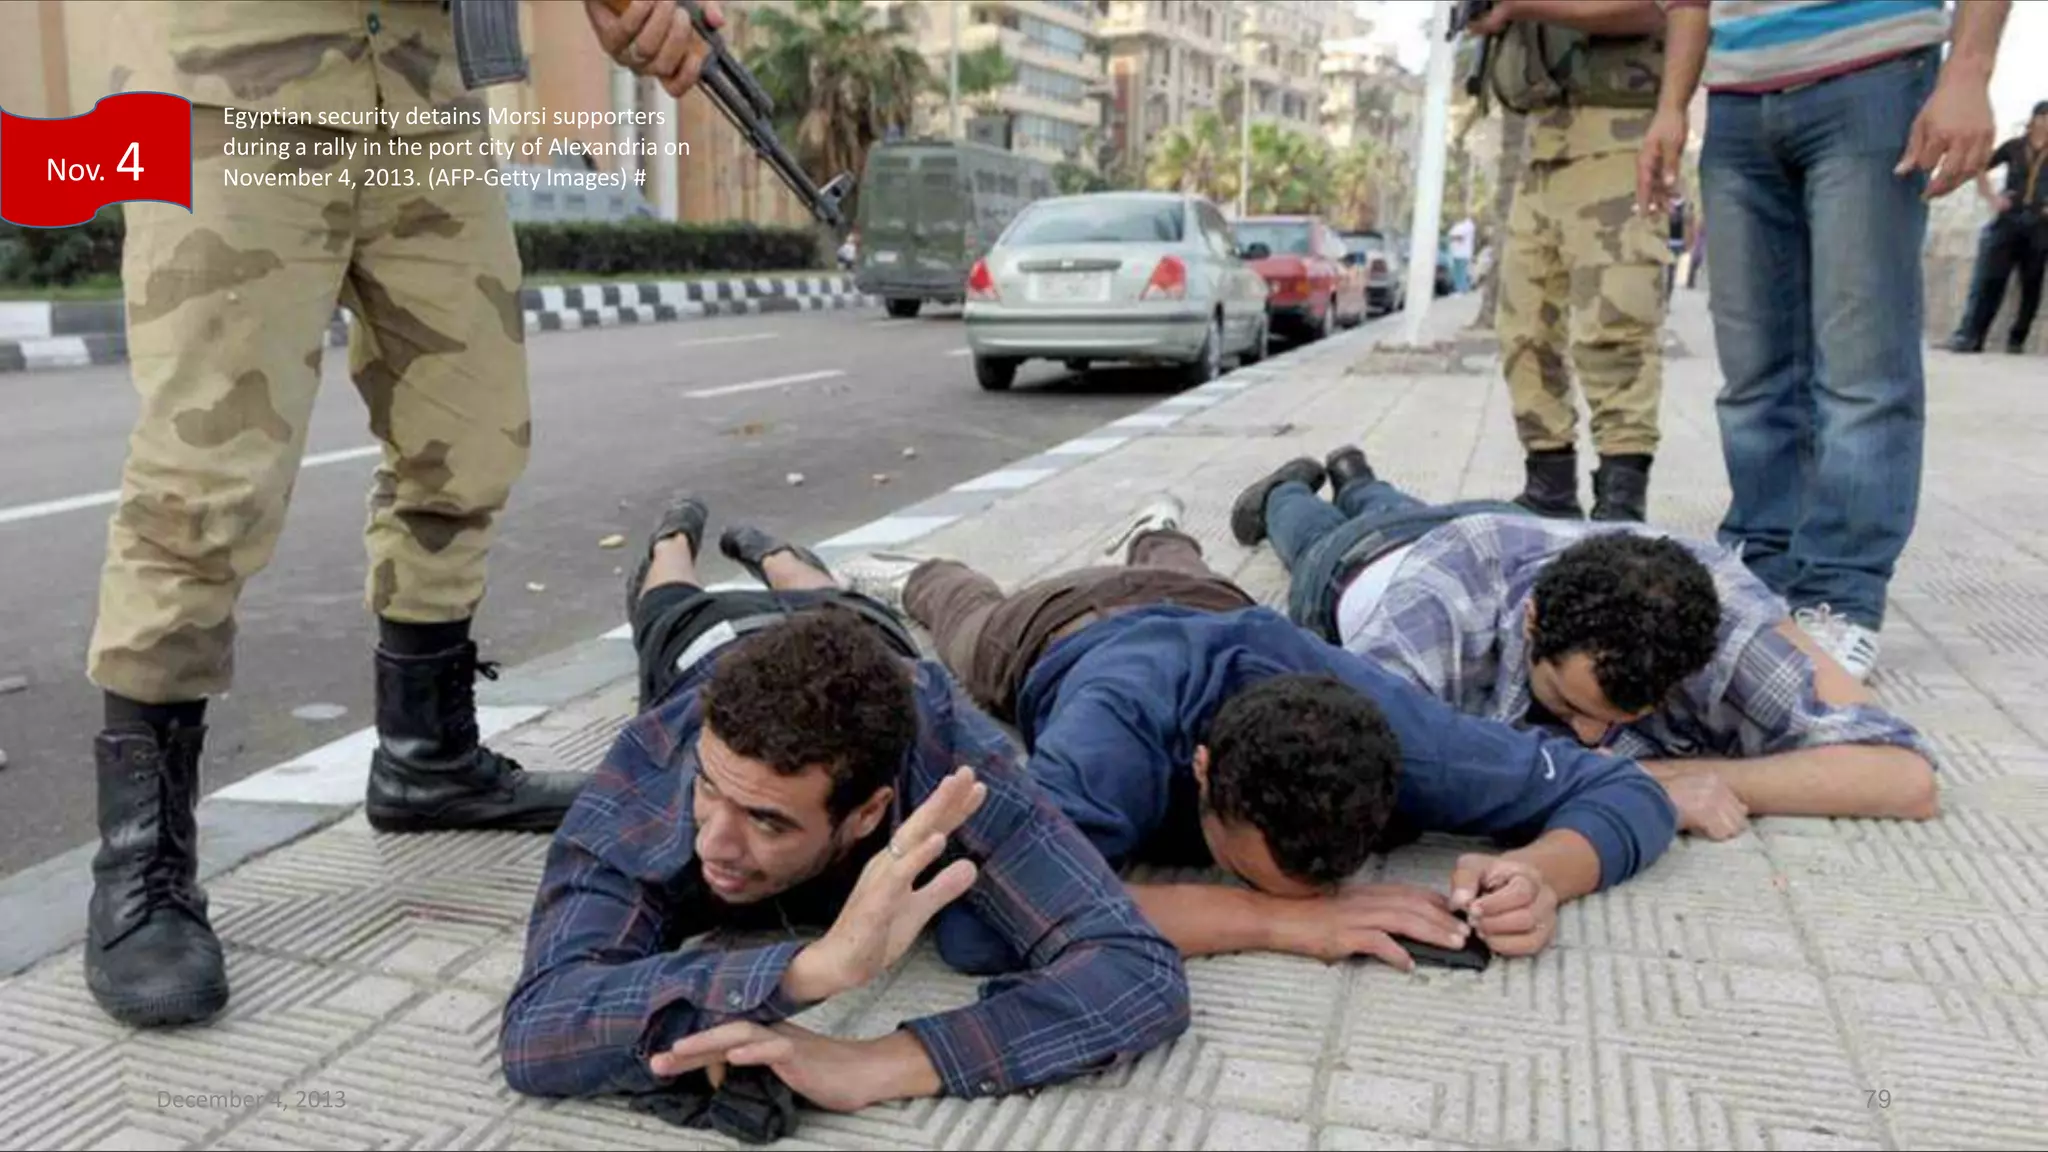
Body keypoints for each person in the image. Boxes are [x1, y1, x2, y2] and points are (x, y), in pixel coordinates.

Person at [83, 0, 726, 1030]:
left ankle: (428, 759)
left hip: (427, 101)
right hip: (229, 88)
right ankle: (141, 864)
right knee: (204, 485)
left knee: (469, 443)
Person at [501, 498, 1189, 1111]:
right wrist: (812, 969)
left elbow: (1135, 972)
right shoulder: (654, 762)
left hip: (856, 637)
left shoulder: (951, 769)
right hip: (705, 641)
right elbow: (540, 1027)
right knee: (667, 604)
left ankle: (775, 556)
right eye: (708, 789)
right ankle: (671, 544)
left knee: (835, 603)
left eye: (766, 821)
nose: (713, 842)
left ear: (867, 813)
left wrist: (882, 1063)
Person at [841, 496, 1678, 968]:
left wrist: (1541, 873)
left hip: (1214, 609)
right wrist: (1269, 923)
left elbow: (1623, 790)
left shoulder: (1415, 740)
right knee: (965, 618)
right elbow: (974, 924)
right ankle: (915, 571)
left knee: (1183, 568)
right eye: (1253, 871)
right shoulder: (1109, 746)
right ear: (1201, 769)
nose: (1312, 904)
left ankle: (1157, 524)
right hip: (1061, 630)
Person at [1234, 447, 1940, 841]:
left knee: (1398, 504)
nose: (1593, 737)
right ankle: (1285, 493)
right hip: (1366, 564)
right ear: (1534, 622)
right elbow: (1373, 773)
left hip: (1499, 523)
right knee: (1311, 536)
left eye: (1620, 721)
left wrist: (1680, 778)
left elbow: (1904, 775)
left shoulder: (1718, 610)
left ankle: (1361, 478)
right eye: (1569, 705)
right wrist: (1601, 786)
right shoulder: (1436, 612)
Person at [1639, 0, 2012, 681]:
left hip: (1873, 68)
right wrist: (1671, 105)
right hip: (1736, 92)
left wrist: (1968, 69)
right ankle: (1759, 571)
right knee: (1752, 374)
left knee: (1861, 367)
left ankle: (1840, 594)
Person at [1469, 0, 1673, 525]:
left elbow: (1659, 9)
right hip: (1543, 134)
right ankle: (1549, 489)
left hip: (1618, 126)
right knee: (1524, 327)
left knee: (1615, 324)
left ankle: (1621, 503)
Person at [1945, 100, 2048, 354]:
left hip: (2040, 223)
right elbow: (1979, 165)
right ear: (2034, 119)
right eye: (2044, 117)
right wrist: (1991, 197)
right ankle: (1971, 336)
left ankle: (2017, 339)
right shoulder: (2014, 147)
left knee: (2031, 283)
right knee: (1990, 278)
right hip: (2009, 217)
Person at [1447, 215, 1478, 293]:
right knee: (1461, 272)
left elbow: (1460, 237)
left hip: (1460, 253)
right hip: (1460, 253)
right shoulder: (1466, 227)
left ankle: (1460, 289)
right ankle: (1462, 288)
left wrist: (1452, 237)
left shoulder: (1466, 226)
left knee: (1460, 272)